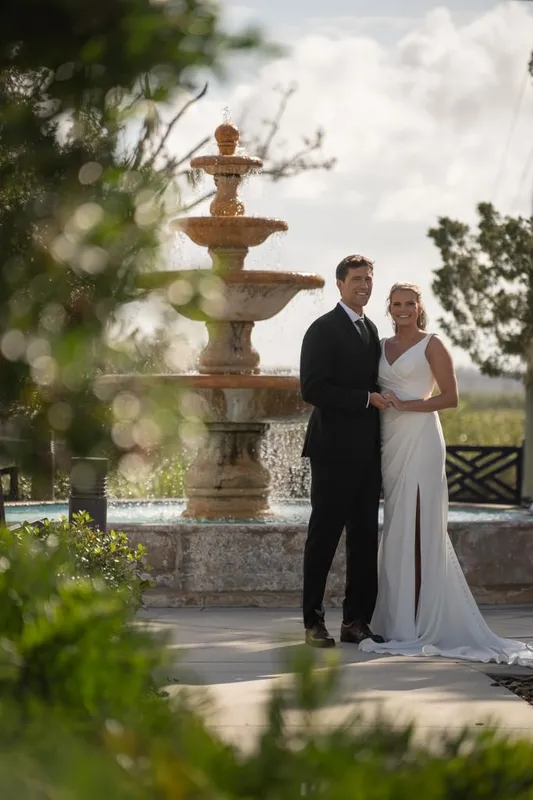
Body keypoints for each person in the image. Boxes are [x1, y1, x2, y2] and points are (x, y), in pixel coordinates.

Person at [360, 282, 533, 666]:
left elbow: (450, 398)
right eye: (396, 304)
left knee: (421, 525)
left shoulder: (432, 344)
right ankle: (396, 619)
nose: (402, 309)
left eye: (409, 304)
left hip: (421, 437)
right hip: (390, 439)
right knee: (398, 526)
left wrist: (408, 404)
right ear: (389, 307)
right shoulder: (380, 344)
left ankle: (422, 620)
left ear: (419, 307)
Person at [299, 254, 389, 648]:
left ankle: (355, 622)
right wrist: (366, 399)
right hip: (332, 452)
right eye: (356, 279)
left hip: (368, 456)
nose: (364, 285)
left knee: (365, 540)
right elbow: (312, 389)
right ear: (340, 283)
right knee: (323, 538)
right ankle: (312, 623)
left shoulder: (371, 330)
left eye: (368, 279)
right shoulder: (322, 330)